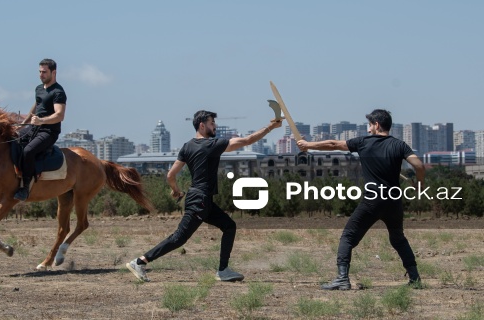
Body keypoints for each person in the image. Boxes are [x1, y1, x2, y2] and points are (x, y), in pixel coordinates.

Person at [126, 110, 281, 282]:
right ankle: (140, 261)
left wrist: (176, 190)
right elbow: (247, 140)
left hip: (202, 199)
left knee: (229, 226)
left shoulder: (187, 146)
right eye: (212, 123)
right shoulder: (211, 144)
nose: (215, 126)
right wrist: (270, 127)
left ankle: (223, 270)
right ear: (202, 125)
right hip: (199, 200)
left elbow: (170, 175)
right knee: (179, 238)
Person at [296, 109, 425, 290]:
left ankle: (342, 279)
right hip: (394, 201)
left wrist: (308, 145)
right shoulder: (399, 145)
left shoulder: (363, 143)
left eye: (370, 125)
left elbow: (333, 144)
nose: (368, 128)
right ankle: (415, 278)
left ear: (376, 124)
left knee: (348, 237)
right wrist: (419, 185)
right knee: (398, 239)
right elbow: (419, 165)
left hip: (373, 200)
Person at [14, 59, 67, 201]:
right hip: (34, 128)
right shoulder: (39, 88)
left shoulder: (58, 92)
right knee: (12, 139)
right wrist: (23, 123)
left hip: (49, 132)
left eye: (44, 72)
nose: (41, 75)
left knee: (28, 151)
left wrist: (41, 121)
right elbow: (37, 105)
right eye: (40, 72)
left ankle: (25, 187)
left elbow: (60, 115)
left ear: (53, 72)